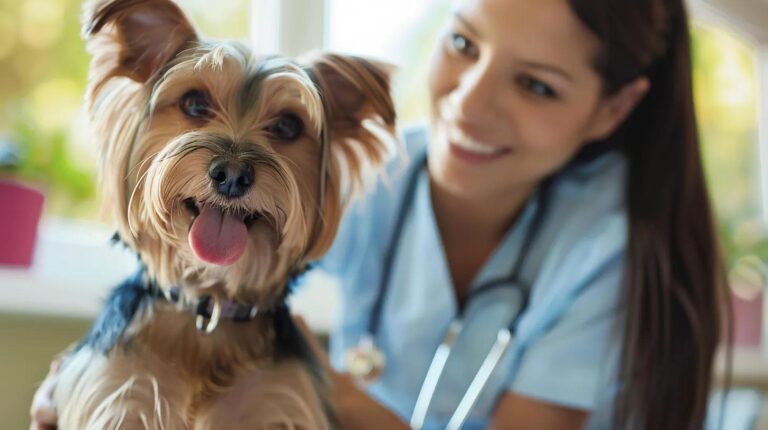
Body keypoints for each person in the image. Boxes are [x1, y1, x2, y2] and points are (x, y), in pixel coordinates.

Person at [32, 0, 729, 428]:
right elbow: (213, 275)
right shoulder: (380, 182)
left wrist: (304, 383)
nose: (471, 103)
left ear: (614, 108)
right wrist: (100, 369)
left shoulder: (609, 252)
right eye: (463, 43)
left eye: (536, 85)